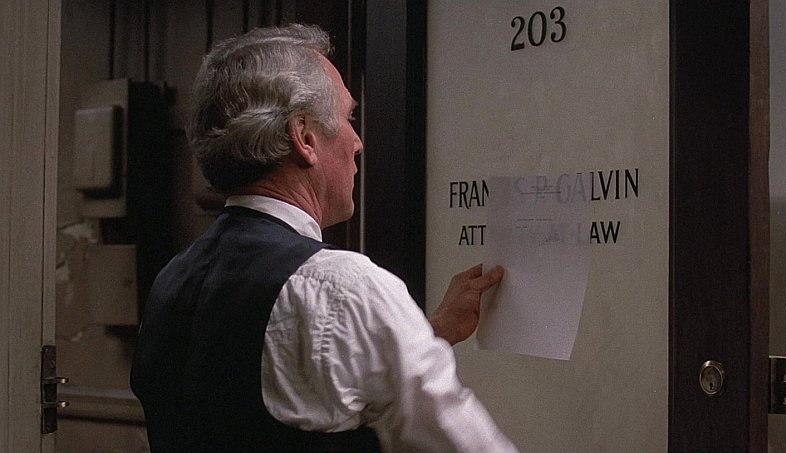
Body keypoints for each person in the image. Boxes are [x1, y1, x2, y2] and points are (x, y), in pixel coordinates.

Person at [130, 24, 517, 453]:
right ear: (304, 136)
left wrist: (432, 331)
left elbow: (271, 386)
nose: (358, 142)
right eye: (348, 117)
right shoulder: (341, 286)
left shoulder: (171, 282)